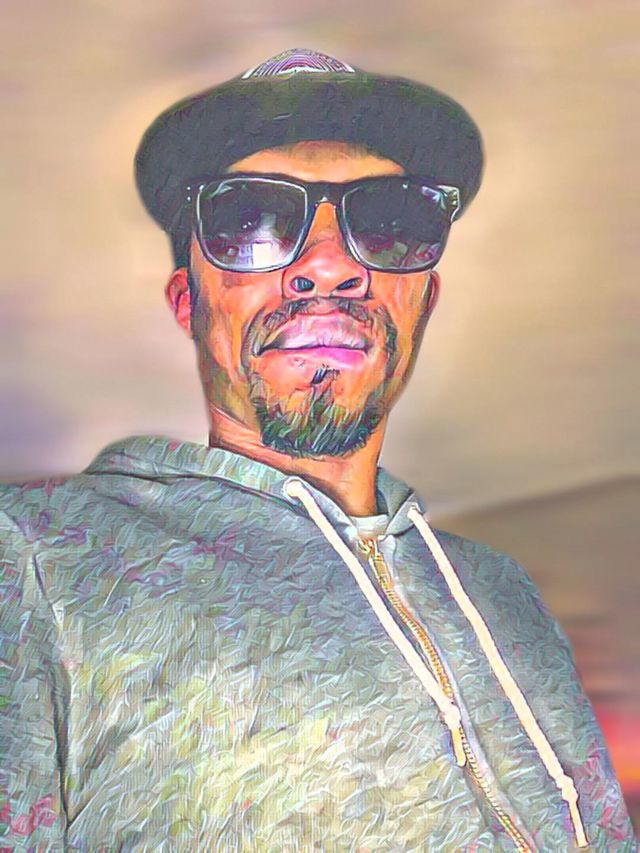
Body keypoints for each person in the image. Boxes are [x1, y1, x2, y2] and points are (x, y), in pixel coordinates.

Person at [0, 48, 635, 851]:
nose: (330, 266)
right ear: (188, 301)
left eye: (392, 222)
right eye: (249, 222)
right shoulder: (38, 552)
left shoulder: (505, 593)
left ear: (424, 299)